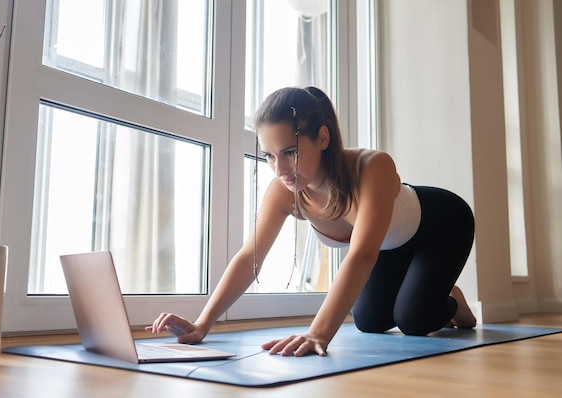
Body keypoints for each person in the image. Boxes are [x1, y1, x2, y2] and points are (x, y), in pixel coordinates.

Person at [147, 86, 476, 357]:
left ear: (322, 137)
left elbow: (362, 254)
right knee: (370, 320)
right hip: (390, 245)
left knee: (414, 320)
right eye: (269, 155)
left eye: (290, 152)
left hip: (441, 225)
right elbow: (251, 257)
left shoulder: (372, 166)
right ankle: (426, 289)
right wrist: (203, 324)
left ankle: (454, 300)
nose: (280, 169)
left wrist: (318, 333)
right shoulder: (284, 190)